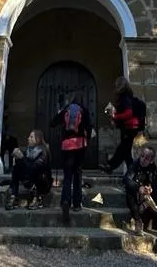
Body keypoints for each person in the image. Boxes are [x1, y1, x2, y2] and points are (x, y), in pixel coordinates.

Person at [50, 92, 93, 221]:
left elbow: (52, 124)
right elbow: (89, 127)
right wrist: (88, 138)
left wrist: (59, 113)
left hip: (66, 146)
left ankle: (65, 201)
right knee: (77, 174)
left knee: (67, 175)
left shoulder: (65, 110)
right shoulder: (83, 110)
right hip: (80, 145)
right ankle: (76, 204)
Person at [102, 77, 144, 174]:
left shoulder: (125, 98)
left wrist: (115, 116)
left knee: (122, 149)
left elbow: (128, 113)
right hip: (128, 128)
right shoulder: (127, 97)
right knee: (126, 153)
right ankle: (132, 174)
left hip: (130, 128)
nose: (115, 87)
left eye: (117, 85)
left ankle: (110, 166)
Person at [6, 130, 52, 210]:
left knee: (36, 170)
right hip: (30, 181)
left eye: (31, 137)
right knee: (16, 166)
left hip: (43, 183)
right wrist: (16, 156)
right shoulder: (28, 150)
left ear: (37, 139)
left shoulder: (44, 152)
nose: (28, 138)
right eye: (29, 136)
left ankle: (37, 198)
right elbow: (26, 166)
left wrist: (22, 158)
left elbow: (34, 168)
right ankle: (14, 196)